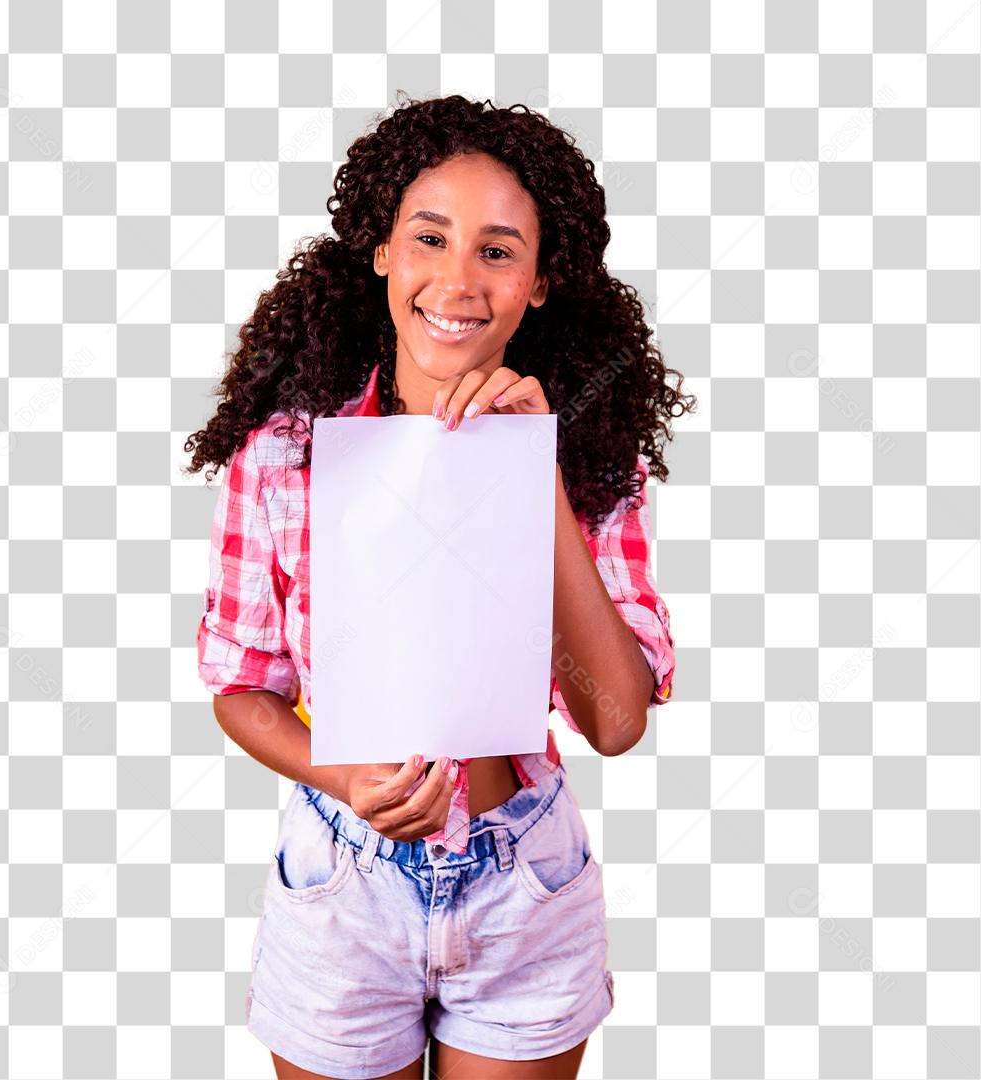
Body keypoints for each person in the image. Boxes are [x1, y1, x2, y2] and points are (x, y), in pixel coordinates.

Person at [184, 91, 694, 1080]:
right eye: (430, 238)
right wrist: (339, 775)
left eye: (498, 250)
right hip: (343, 881)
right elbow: (240, 687)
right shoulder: (286, 461)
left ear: (539, 284)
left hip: (523, 885)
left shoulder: (589, 468)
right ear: (382, 253)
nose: (458, 278)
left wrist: (532, 472)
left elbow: (618, 720)